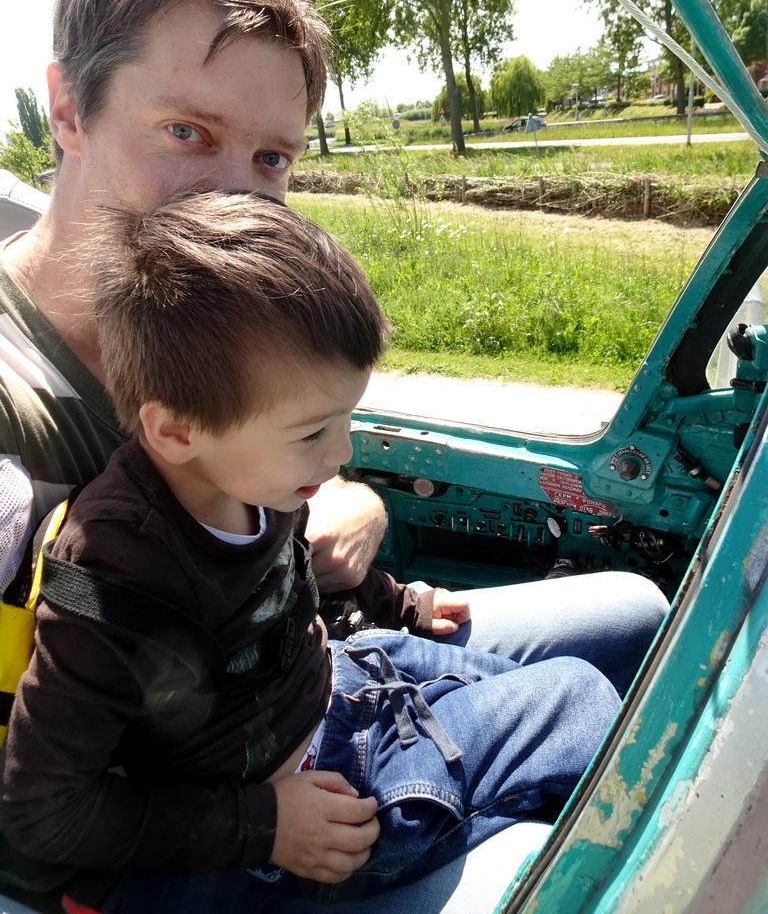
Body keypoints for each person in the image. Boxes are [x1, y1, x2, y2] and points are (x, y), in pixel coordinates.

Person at [0, 0, 667, 910]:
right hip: (209, 820)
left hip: (305, 670)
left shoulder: (236, 308)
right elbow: (44, 808)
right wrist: (260, 824)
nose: (237, 195)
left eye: (272, 157)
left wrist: (342, 522)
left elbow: (290, 497)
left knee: (638, 618)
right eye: (188, 132)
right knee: (555, 858)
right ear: (68, 109)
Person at [0, 190, 621, 914]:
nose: (343, 452)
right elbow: (40, 810)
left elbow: (291, 576)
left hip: (334, 684)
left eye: (347, 418)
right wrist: (266, 828)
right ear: (174, 431)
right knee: (582, 701)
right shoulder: (116, 582)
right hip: (284, 810)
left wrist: (399, 604)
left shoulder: (250, 475)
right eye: (313, 432)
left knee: (614, 646)